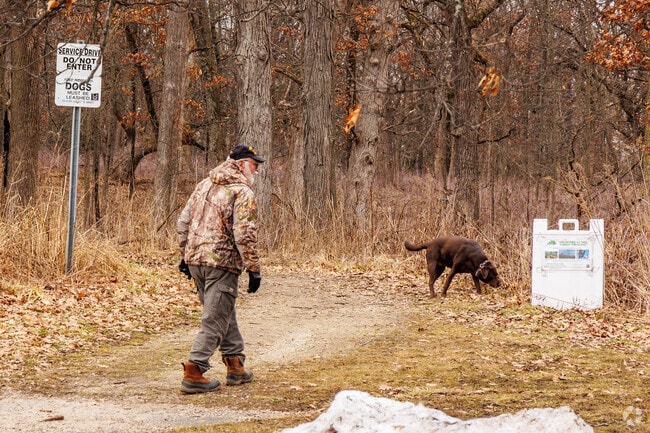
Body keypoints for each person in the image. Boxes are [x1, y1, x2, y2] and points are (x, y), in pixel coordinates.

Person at [176, 144, 265, 394]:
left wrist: (185, 255)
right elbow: (245, 233)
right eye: (254, 165)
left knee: (223, 310)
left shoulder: (204, 185)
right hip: (222, 263)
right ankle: (194, 371)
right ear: (239, 164)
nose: (256, 171)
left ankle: (235, 364)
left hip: (196, 261)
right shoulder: (242, 192)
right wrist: (253, 267)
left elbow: (183, 222)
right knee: (215, 318)